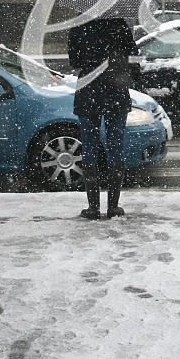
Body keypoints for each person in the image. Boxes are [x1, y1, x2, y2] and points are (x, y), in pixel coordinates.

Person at [69, 17, 142, 220]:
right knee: (115, 146)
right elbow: (134, 57)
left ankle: (93, 207)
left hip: (88, 90)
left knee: (90, 147)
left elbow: (74, 62)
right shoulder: (119, 26)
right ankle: (113, 206)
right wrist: (132, 77)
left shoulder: (78, 27)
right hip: (116, 90)